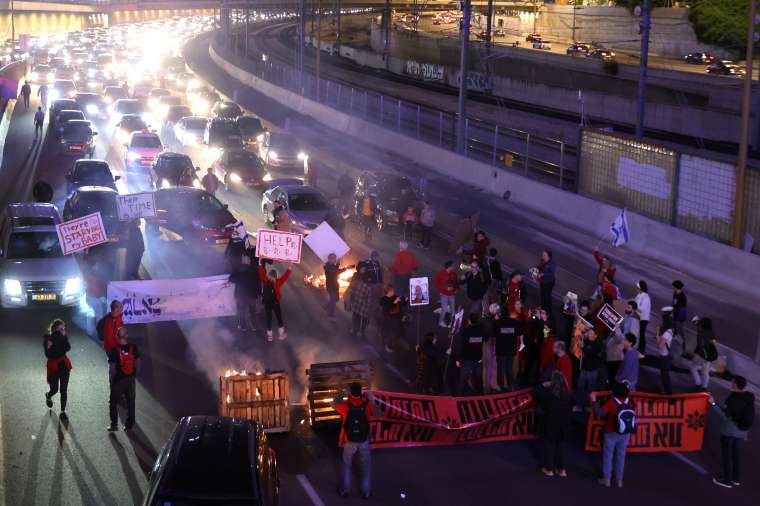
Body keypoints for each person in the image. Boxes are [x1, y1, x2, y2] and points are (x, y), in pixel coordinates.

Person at [709, 375, 755, 489]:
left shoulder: (733, 399)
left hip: (730, 431)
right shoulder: (748, 397)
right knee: (736, 455)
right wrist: (746, 432)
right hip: (741, 431)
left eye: (732, 382)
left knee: (727, 456)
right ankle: (735, 478)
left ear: (735, 384)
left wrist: (713, 404)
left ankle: (727, 480)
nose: (731, 383)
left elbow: (724, 415)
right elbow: (749, 415)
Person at [591, 381, 636, 488]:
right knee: (621, 456)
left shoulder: (611, 402)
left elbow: (600, 413)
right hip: (625, 433)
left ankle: (607, 479)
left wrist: (594, 401)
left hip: (610, 432)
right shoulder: (629, 402)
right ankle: (619, 480)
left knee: (608, 455)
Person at [336, 382, 373, 499]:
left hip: (349, 440)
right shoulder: (367, 405)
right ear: (361, 392)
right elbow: (376, 412)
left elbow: (334, 404)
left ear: (350, 392)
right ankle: (366, 492)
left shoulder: (345, 406)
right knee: (366, 467)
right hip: (364, 440)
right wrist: (370, 398)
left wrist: (341, 394)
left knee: (347, 465)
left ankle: (345, 491)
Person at [535, 370, 573, 477]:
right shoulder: (569, 395)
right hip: (564, 426)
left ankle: (549, 469)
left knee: (549, 446)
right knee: (561, 446)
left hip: (551, 425)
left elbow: (535, 392)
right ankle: (562, 470)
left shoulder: (549, 395)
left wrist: (543, 385)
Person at [107, 327, 140, 431]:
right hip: (130, 380)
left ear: (117, 336)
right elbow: (138, 364)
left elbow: (112, 369)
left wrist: (112, 382)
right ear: (127, 335)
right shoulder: (133, 348)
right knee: (131, 402)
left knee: (113, 402)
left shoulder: (114, 350)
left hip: (119, 380)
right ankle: (129, 424)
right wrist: (134, 375)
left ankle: (114, 424)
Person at [44, 319, 72, 421]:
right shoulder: (49, 339)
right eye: (61, 329)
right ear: (55, 329)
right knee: (54, 389)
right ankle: (48, 395)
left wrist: (64, 337)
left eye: (64, 328)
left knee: (63, 390)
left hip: (64, 366)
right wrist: (48, 347)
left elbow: (68, 348)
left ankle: (63, 411)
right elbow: (49, 355)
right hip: (54, 366)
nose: (63, 330)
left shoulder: (63, 337)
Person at [229, 244, 261, 331]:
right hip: (246, 294)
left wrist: (258, 292)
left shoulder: (243, 269)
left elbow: (231, 279)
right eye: (244, 258)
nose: (246, 259)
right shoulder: (246, 269)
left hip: (245, 295)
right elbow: (231, 279)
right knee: (246, 311)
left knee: (248, 311)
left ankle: (249, 326)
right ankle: (247, 326)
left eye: (247, 258)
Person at [258, 262, 292, 341]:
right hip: (275, 303)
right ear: (276, 275)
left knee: (268, 318)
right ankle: (281, 334)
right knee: (279, 317)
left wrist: (260, 263)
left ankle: (270, 336)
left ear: (269, 274)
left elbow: (261, 273)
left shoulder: (265, 280)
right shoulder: (278, 282)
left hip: (267, 303)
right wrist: (290, 267)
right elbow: (285, 277)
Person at [456, 314, 485, 396]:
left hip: (467, 360)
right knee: (479, 380)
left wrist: (459, 359)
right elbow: (485, 338)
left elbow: (462, 346)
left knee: (463, 380)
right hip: (478, 359)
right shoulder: (481, 330)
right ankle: (481, 398)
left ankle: (459, 398)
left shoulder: (466, 331)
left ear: (469, 321)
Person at [574, 328, 603, 412]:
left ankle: (591, 407)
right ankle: (579, 405)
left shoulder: (598, 344)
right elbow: (580, 339)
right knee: (580, 387)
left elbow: (591, 352)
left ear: (595, 335)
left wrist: (583, 347)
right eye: (588, 333)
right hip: (584, 369)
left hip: (592, 370)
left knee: (591, 388)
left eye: (591, 333)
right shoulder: (586, 341)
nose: (588, 335)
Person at [491, 304, 517, 390]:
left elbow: (493, 334)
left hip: (501, 351)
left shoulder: (497, 323)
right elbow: (519, 332)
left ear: (500, 314)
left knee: (500, 368)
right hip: (511, 350)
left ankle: (501, 386)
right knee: (509, 368)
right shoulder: (514, 322)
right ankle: (511, 385)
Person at [691, 317, 718, 392]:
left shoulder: (701, 332)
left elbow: (700, 345)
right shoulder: (711, 332)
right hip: (710, 355)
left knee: (693, 367)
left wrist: (698, 351)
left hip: (701, 355)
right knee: (705, 372)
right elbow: (714, 342)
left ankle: (698, 385)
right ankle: (704, 388)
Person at [345, 267, 372, 339]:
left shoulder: (356, 283)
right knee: (364, 320)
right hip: (363, 307)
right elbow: (369, 299)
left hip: (356, 304)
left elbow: (351, 292)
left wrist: (350, 301)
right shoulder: (368, 288)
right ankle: (361, 332)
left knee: (356, 317)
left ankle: (354, 329)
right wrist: (369, 309)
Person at [379, 285, 404, 354]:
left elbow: (401, 304)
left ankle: (393, 346)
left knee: (396, 333)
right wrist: (394, 302)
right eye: (392, 290)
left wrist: (404, 300)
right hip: (388, 319)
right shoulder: (383, 299)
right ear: (388, 292)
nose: (393, 291)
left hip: (396, 319)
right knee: (389, 333)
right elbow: (387, 307)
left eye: (393, 290)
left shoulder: (395, 297)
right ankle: (388, 346)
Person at [324, 253, 348, 321]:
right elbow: (336, 272)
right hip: (331, 287)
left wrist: (338, 264)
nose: (335, 260)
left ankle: (327, 307)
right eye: (334, 259)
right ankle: (331, 316)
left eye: (335, 258)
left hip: (334, 286)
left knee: (336, 299)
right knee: (333, 301)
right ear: (329, 259)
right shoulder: (327, 266)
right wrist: (345, 269)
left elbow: (335, 269)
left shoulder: (332, 265)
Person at [434, 260, 458, 328]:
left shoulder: (454, 274)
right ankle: (441, 322)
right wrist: (445, 288)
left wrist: (456, 289)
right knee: (444, 309)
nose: (454, 267)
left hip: (452, 294)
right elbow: (437, 283)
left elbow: (456, 282)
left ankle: (452, 323)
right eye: (453, 265)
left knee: (452, 309)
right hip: (444, 294)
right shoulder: (441, 274)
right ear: (449, 267)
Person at [657, 310, 674, 395]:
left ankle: (668, 393)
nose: (660, 321)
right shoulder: (668, 331)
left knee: (665, 376)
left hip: (665, 357)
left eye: (661, 320)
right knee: (664, 375)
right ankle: (665, 391)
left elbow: (659, 345)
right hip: (664, 356)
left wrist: (657, 335)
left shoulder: (667, 333)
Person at [634, 280, 651, 355]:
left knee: (641, 334)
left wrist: (635, 306)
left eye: (637, 287)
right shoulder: (639, 295)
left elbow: (642, 308)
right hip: (639, 317)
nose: (636, 289)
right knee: (639, 333)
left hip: (644, 318)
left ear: (641, 288)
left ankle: (642, 350)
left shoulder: (646, 297)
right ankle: (639, 348)